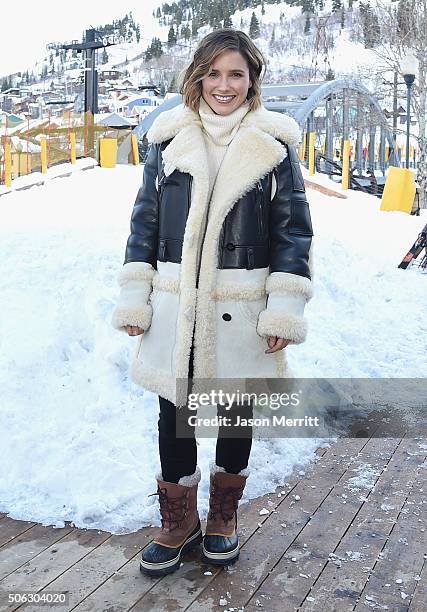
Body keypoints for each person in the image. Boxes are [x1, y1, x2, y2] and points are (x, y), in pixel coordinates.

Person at [111, 29, 314, 576]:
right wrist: (137, 296)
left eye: (236, 75)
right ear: (198, 76)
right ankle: (179, 524)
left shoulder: (273, 146)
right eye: (214, 73)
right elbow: (145, 223)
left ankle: (222, 518)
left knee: (234, 411)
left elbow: (293, 234)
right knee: (173, 412)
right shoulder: (168, 138)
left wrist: (284, 311)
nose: (224, 86)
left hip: (241, 304)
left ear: (252, 82)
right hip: (177, 301)